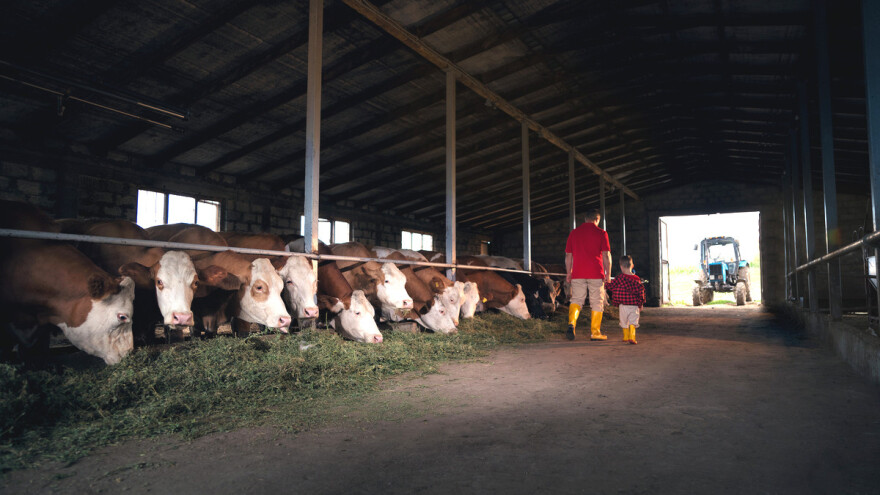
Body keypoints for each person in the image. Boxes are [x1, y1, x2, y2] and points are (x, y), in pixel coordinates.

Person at [564, 209, 611, 341]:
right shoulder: (602, 233)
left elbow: (568, 256)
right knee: (597, 302)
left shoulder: (574, 233)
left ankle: (572, 323)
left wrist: (569, 273)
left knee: (577, 300)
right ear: (597, 220)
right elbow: (606, 256)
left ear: (585, 219)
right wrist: (608, 274)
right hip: (596, 273)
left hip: (578, 273)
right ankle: (595, 332)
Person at [605, 255, 645, 344]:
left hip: (622, 305)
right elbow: (640, 293)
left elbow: (611, 286)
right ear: (632, 266)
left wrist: (604, 283)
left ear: (621, 267)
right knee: (633, 321)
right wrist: (641, 304)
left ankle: (625, 336)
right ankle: (632, 337)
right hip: (634, 306)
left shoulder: (619, 278)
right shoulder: (637, 279)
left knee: (623, 321)